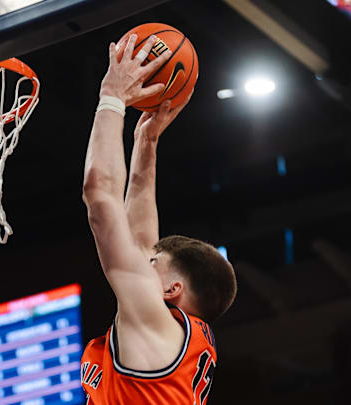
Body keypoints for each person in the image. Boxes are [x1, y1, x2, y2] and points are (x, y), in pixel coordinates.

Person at [80, 33, 238, 405]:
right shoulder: (176, 337)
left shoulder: (155, 325)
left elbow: (99, 193)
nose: (140, 256)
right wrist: (145, 141)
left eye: (152, 262)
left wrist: (113, 97)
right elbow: (136, 234)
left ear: (172, 289)